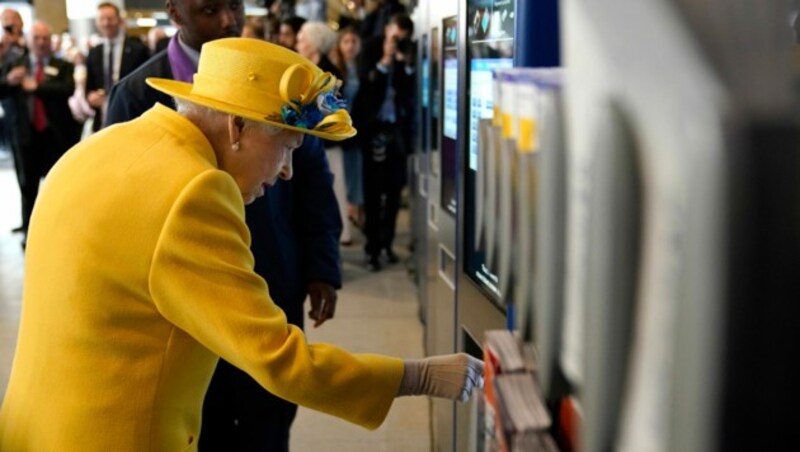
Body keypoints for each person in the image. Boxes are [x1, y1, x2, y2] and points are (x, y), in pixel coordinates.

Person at [0, 37, 483, 451]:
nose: (288, 170)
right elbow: (278, 358)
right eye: (288, 145)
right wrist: (418, 375)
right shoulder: (196, 194)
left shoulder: (102, 148)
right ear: (237, 128)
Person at [106, 2, 346, 450]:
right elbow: (118, 202)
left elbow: (312, 177)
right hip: (185, 305)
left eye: (234, 6)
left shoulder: (278, 79)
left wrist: (321, 266)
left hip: (271, 275)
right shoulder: (137, 94)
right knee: (202, 421)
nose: (226, 21)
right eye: (209, 10)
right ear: (175, 13)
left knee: (270, 415)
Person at [0, 19, 79, 250]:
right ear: (30, 40)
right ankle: (30, 235)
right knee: (28, 187)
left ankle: (62, 232)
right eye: (37, 38)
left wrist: (37, 87)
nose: (41, 42)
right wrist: (9, 80)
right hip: (25, 136)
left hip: (56, 136)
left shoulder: (62, 65)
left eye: (45, 38)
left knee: (59, 188)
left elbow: (68, 89)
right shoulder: (16, 64)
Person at [353, 13, 416, 271]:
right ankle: (372, 249)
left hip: (397, 134)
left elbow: (410, 92)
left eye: (402, 38)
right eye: (394, 36)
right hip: (372, 132)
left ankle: (387, 245)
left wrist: (405, 63)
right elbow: (366, 85)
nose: (397, 41)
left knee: (393, 193)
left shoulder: (407, 54)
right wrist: (384, 60)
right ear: (387, 29)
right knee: (372, 193)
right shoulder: (370, 48)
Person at [296, 21, 352, 245]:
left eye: (302, 39)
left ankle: (335, 237)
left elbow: (334, 112)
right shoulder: (307, 69)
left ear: (313, 44)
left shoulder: (329, 73)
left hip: (327, 143)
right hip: (312, 141)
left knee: (332, 193)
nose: (298, 43)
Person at [84, 2, 150, 132]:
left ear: (119, 20)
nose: (106, 23)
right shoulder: (94, 52)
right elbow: (89, 87)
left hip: (131, 118)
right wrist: (91, 97)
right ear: (97, 23)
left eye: (110, 18)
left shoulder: (138, 49)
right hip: (102, 121)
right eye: (102, 19)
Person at [335, 27, 365, 231]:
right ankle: (347, 212)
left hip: (359, 126)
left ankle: (355, 209)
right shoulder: (337, 68)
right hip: (341, 126)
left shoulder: (362, 67)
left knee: (356, 170)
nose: (350, 46)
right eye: (346, 41)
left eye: (353, 41)